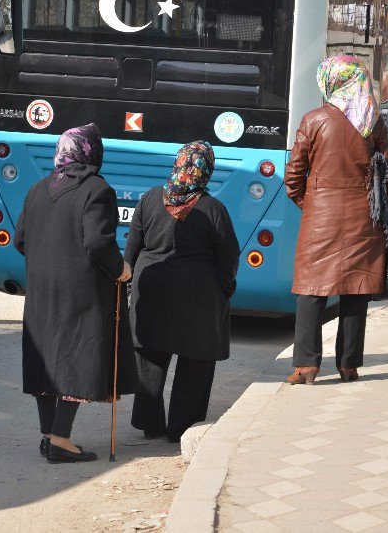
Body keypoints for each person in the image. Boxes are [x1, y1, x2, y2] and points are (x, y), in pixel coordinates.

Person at [15, 123, 136, 463]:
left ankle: (47, 435)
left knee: (47, 359)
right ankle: (60, 439)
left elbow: (20, 239)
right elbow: (98, 242)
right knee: (74, 358)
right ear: (92, 151)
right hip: (81, 291)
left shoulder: (39, 188)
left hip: (41, 291)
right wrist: (120, 269)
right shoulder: (96, 189)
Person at [284, 55, 388, 384]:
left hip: (320, 217)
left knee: (311, 289)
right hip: (366, 217)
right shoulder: (372, 121)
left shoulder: (314, 119)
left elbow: (293, 175)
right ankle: (348, 365)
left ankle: (306, 366)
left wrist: (308, 203)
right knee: (356, 289)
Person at [124, 141, 240, 443]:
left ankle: (150, 423)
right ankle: (181, 428)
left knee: (150, 359)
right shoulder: (213, 209)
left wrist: (129, 290)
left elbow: (132, 251)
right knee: (195, 363)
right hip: (197, 299)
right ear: (205, 169)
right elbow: (229, 257)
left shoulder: (149, 199)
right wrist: (226, 289)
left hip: (152, 293)